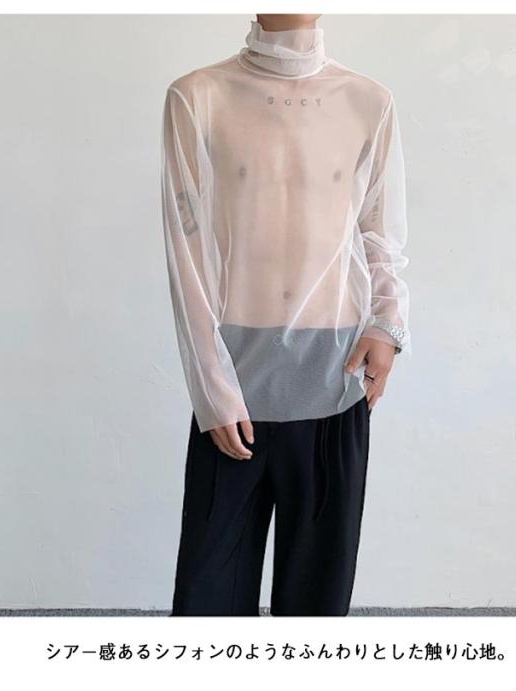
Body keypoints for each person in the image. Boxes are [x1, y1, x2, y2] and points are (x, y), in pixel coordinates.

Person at [160, 13, 411, 616]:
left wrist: (387, 323)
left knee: (317, 601)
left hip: (335, 377)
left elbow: (380, 231)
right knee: (208, 599)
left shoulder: (368, 101)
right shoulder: (197, 96)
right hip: (236, 386)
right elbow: (185, 254)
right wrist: (211, 387)